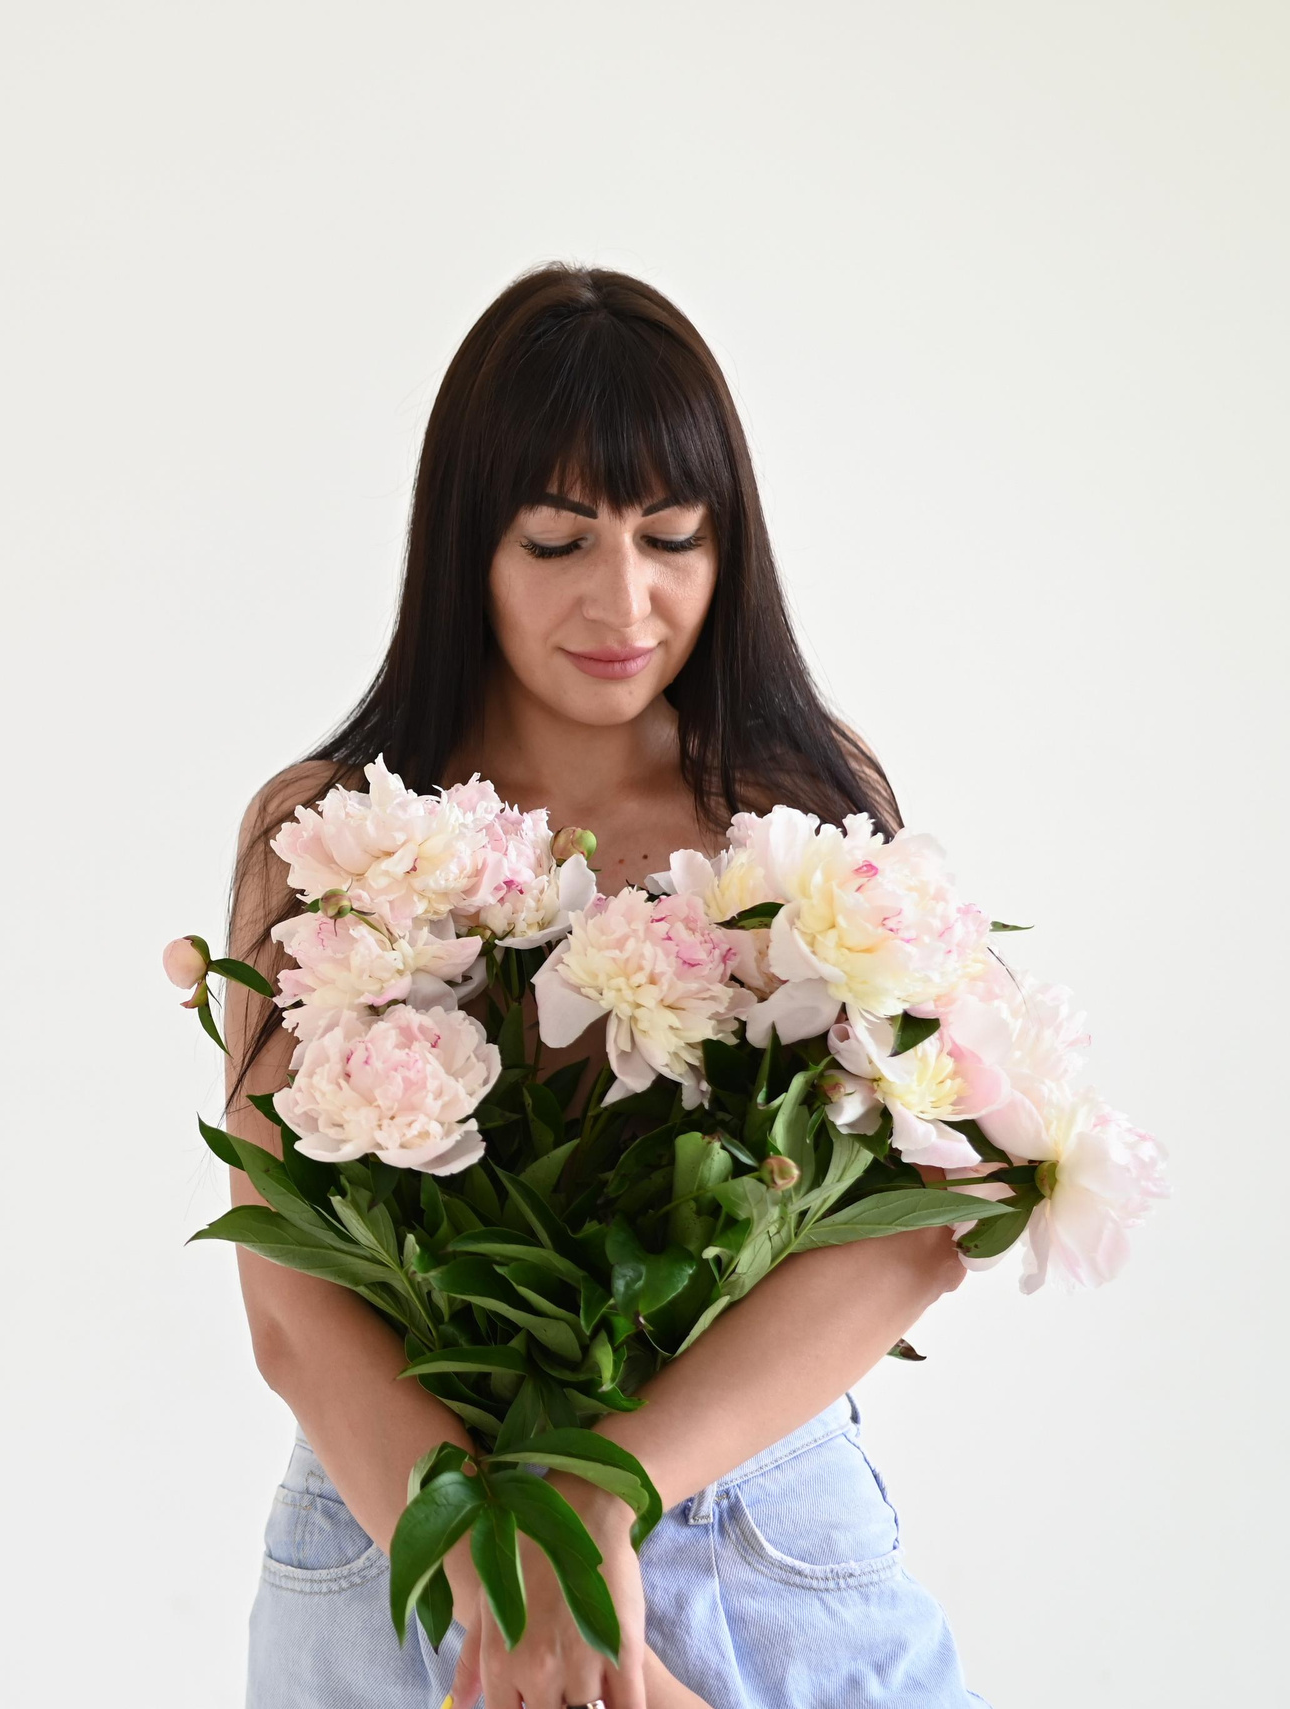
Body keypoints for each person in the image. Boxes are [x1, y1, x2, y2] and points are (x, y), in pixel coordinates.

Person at [225, 266, 987, 1709]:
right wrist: (511, 1573)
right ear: (469, 546)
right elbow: (293, 1299)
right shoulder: (324, 832)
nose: (624, 599)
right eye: (559, 538)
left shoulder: (805, 811)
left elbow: (914, 1228)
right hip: (411, 1526)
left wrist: (594, 1503)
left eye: (674, 536)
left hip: (754, 1526)